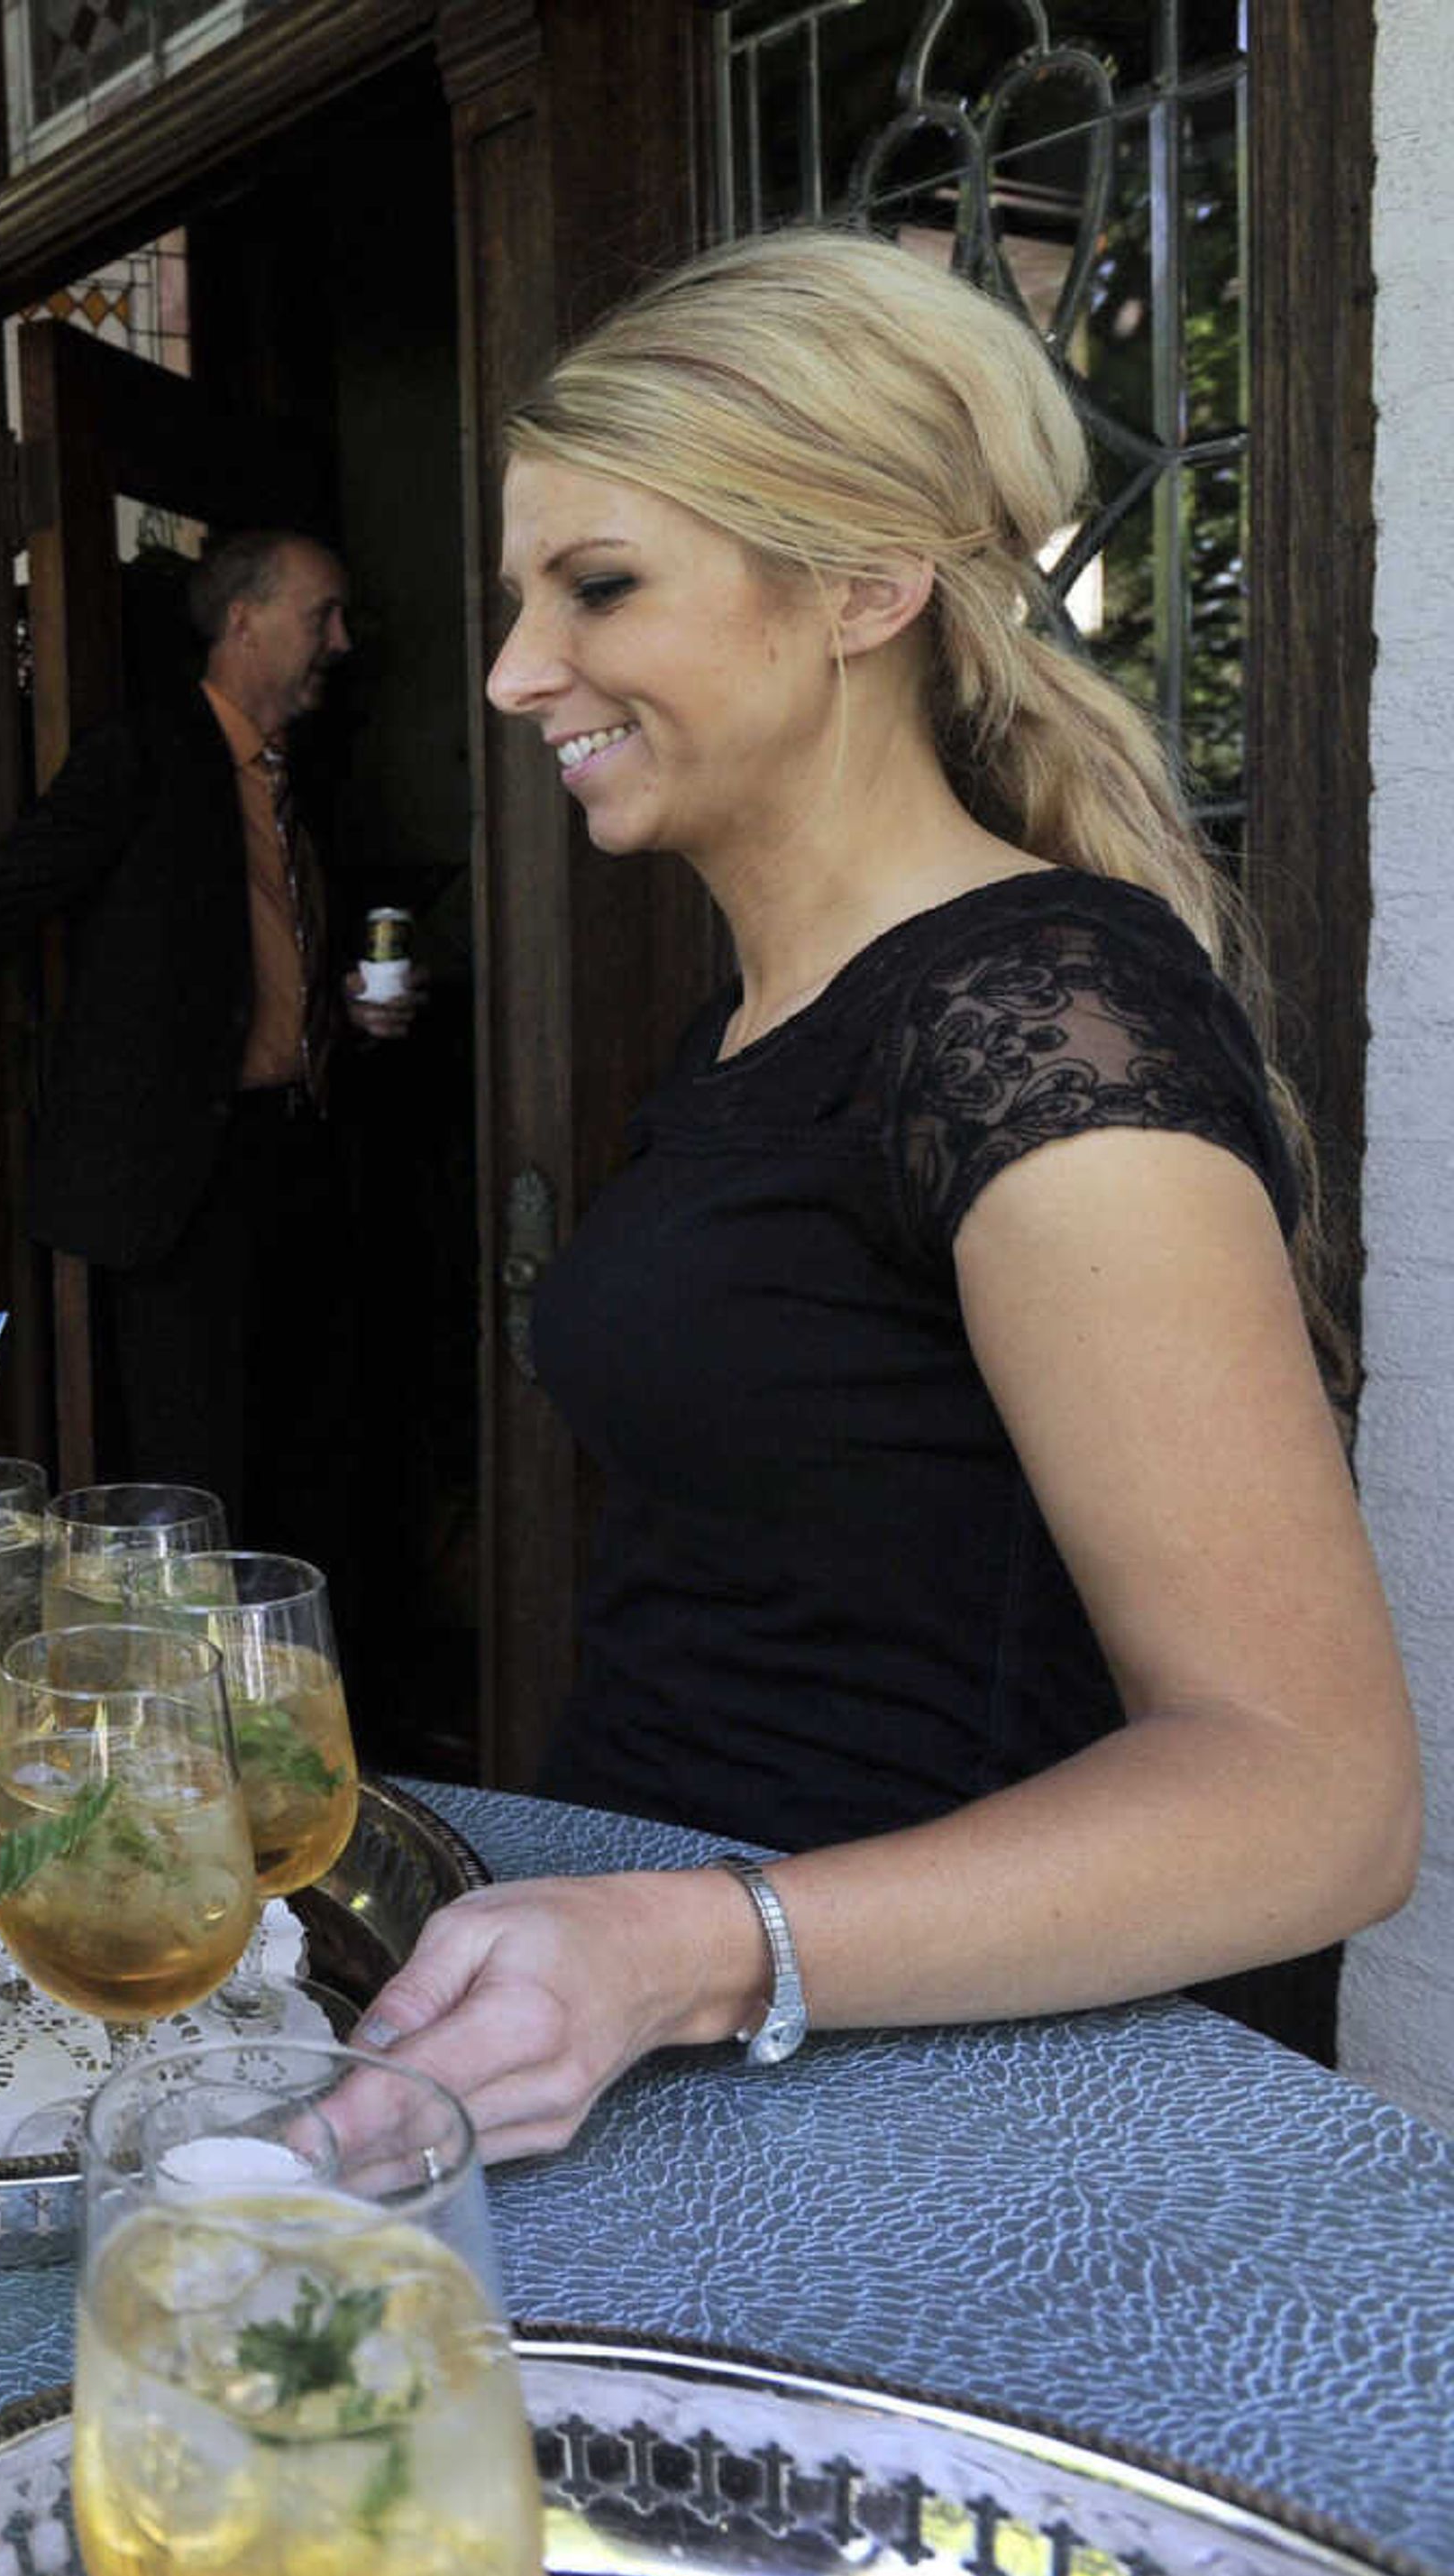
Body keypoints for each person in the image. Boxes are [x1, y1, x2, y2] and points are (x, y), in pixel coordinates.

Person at [356, 228, 1420, 2157]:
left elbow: (1311, 1798)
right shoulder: (766, 1020)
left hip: (924, 2095)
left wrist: (694, 1947)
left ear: (865, 585)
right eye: (520, 596)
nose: (518, 672)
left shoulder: (1035, 1014)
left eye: (599, 586)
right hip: (666, 2042)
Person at [0, 529, 417, 1572]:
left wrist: (348, 1015)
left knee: (315, 1444)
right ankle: (202, 1694)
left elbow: (263, 957)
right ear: (244, 620)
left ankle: (310, 1681)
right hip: (182, 1178)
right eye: (321, 615)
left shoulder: (300, 777)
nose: (341, 640)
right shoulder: (144, 752)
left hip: (301, 1155)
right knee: (201, 1473)